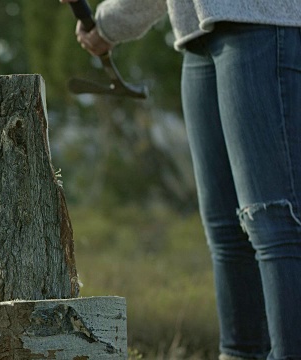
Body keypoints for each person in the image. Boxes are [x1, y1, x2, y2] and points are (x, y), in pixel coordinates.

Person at [58, 0, 301, 359]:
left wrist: (110, 23)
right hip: (197, 38)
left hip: (260, 21)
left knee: (273, 223)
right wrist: (110, 24)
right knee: (227, 232)